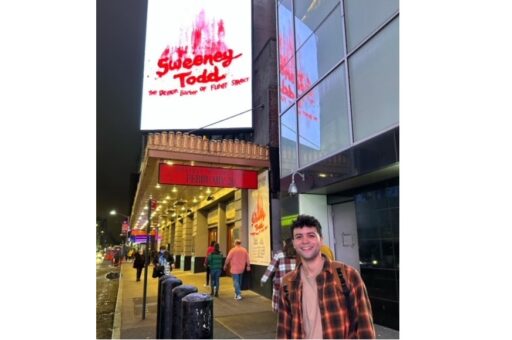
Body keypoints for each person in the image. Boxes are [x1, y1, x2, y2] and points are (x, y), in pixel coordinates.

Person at [277, 214, 376, 339]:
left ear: (321, 239)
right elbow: (283, 330)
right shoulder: (288, 282)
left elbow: (364, 325)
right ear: (294, 243)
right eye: (299, 237)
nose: (305, 241)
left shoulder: (347, 275)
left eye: (311, 235)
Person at [260, 238, 297, 312]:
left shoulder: (280, 254)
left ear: (286, 244)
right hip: (295, 282)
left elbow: (271, 268)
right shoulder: (299, 253)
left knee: (282, 305)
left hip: (281, 283)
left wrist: (263, 279)